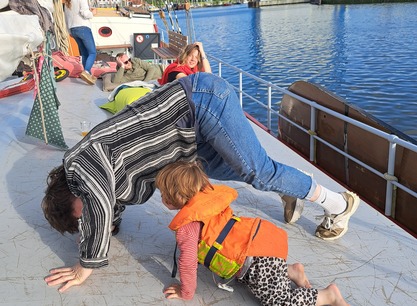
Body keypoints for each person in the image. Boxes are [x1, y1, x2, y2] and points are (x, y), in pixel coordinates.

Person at [42, 72, 360, 292]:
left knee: (257, 172)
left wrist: (85, 265)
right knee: (250, 172)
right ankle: (287, 188)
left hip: (201, 103)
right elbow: (106, 205)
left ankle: (339, 204)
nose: (91, 218)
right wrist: (108, 227)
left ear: (69, 191)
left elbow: (96, 200)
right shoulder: (96, 184)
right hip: (188, 140)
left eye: (81, 215)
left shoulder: (79, 164)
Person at [155, 161, 349, 305]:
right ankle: (292, 271)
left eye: (164, 194)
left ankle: (328, 296)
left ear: (177, 197)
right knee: (253, 276)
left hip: (256, 257)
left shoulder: (187, 227)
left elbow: (187, 263)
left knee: (278, 301)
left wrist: (186, 292)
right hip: (261, 236)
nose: (162, 197)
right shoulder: (207, 200)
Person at [63, 0, 97, 85]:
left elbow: (66, 18)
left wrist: (69, 31)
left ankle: (87, 74)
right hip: (83, 27)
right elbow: (85, 13)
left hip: (73, 29)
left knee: (84, 53)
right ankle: (86, 71)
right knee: (92, 52)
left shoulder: (68, 2)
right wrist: (93, 13)